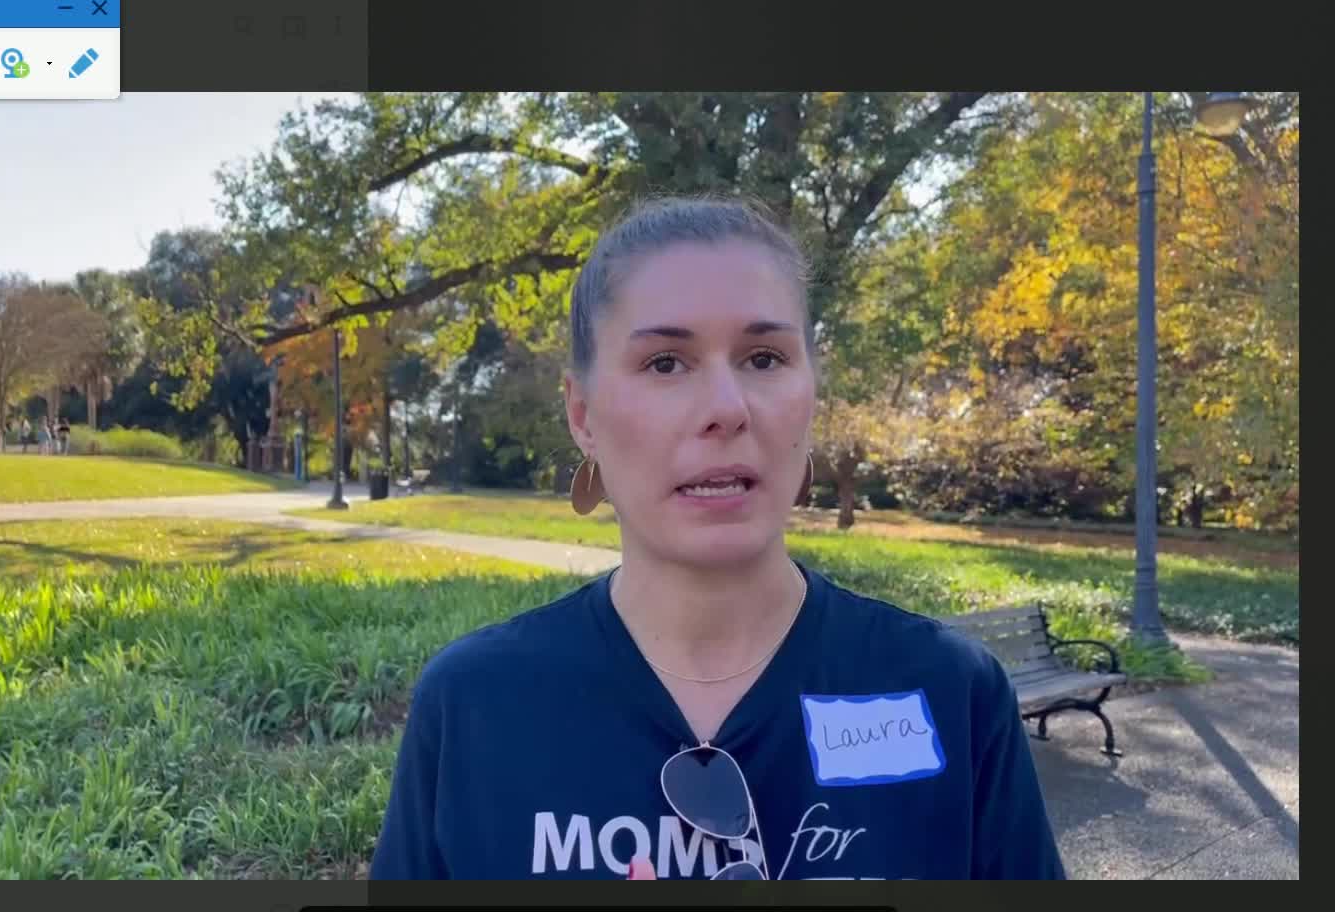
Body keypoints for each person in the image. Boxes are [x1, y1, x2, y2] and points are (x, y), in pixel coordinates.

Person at [369, 196, 1063, 881]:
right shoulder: (477, 707)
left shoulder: (949, 695)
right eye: (666, 364)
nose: (727, 410)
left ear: (811, 394)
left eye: (763, 359)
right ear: (583, 415)